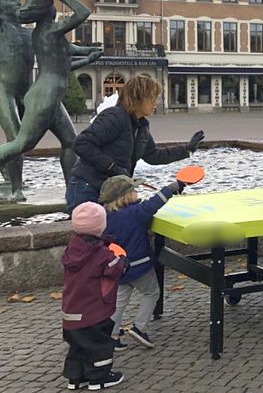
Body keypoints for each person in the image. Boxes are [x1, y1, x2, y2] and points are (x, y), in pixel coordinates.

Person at [0, 0, 103, 196]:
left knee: (70, 141)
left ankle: (72, 190)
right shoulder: (48, 31)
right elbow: (83, 12)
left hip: (48, 93)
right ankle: (15, 184)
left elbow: (64, 60)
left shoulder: (41, 34)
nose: (18, 5)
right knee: (21, 144)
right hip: (40, 93)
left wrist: (89, 55)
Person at [66, 74, 204, 213]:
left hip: (111, 191)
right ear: (138, 97)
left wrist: (187, 150)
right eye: (152, 98)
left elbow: (153, 155)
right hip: (87, 187)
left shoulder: (141, 126)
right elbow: (81, 144)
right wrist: (112, 167)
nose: (156, 103)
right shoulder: (114, 116)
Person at [102, 174, 186, 351]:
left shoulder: (105, 216)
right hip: (140, 265)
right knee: (152, 293)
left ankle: (112, 335)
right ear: (125, 196)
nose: (137, 192)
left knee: (119, 300)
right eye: (134, 190)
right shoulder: (136, 213)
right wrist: (172, 187)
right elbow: (154, 203)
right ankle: (139, 328)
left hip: (118, 266)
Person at [61, 201, 127, 390]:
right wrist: (122, 259)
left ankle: (75, 378)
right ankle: (99, 378)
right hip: (93, 311)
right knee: (98, 345)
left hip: (71, 311)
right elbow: (115, 268)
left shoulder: (72, 249)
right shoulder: (101, 254)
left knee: (78, 346)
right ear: (101, 226)